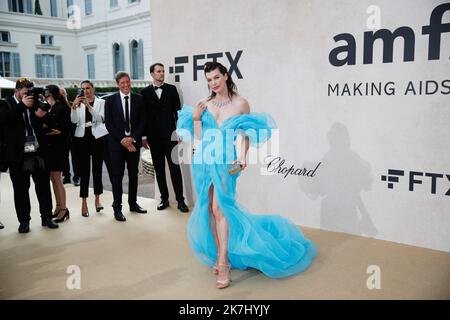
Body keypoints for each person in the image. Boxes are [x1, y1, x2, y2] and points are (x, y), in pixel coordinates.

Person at [177, 62, 316, 289]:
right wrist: (195, 118)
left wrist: (243, 156)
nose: (212, 83)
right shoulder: (205, 104)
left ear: (225, 76)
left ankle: (223, 263)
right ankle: (219, 255)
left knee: (220, 208)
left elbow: (247, 132)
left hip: (226, 160)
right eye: (209, 80)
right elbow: (200, 139)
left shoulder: (241, 103)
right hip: (204, 159)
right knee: (207, 209)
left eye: (216, 78)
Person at [0, 78, 59, 233]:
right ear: (17, 91)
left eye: (30, 92)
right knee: (21, 189)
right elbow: (4, 120)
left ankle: (47, 217)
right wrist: (21, 106)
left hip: (37, 151)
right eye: (25, 93)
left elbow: (51, 123)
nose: (28, 96)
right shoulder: (5, 103)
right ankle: (24, 221)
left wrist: (42, 115)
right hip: (18, 154)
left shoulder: (34, 103)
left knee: (43, 186)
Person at [141, 63, 189, 212]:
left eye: (163, 71)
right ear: (152, 74)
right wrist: (143, 137)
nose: (162, 73)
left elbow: (178, 114)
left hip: (170, 136)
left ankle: (181, 200)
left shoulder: (172, 89)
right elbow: (143, 117)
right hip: (153, 138)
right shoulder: (144, 92)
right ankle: (164, 199)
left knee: (175, 168)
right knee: (159, 170)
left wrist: (179, 131)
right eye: (158, 71)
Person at [105, 71, 147, 221]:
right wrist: (123, 140)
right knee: (117, 177)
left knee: (133, 175)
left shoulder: (139, 99)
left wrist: (132, 139)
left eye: (127, 82)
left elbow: (143, 121)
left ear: (130, 82)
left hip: (133, 144)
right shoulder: (110, 101)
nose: (126, 85)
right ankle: (117, 208)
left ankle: (133, 204)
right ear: (118, 84)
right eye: (122, 82)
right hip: (116, 146)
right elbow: (109, 124)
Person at [71, 80, 112, 217]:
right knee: (84, 172)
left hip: (97, 138)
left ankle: (97, 200)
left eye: (88, 88)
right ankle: (84, 202)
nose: (85, 91)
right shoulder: (77, 103)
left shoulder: (101, 103)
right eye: (83, 88)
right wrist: (74, 107)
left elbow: (101, 119)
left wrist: (89, 106)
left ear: (93, 89)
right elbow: (74, 121)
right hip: (82, 139)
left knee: (97, 170)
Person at [39, 85, 71, 223]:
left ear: (49, 93)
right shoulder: (51, 107)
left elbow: (62, 130)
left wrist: (47, 130)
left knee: (57, 180)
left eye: (45, 92)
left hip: (58, 149)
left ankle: (64, 209)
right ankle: (58, 206)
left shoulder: (60, 108)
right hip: (51, 149)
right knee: (54, 179)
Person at [60, 87, 80, 186]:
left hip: (74, 134)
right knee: (64, 157)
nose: (62, 95)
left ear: (66, 94)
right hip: (63, 136)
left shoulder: (73, 104)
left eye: (63, 93)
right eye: (60, 94)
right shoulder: (56, 106)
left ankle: (77, 177)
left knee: (76, 157)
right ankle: (66, 176)